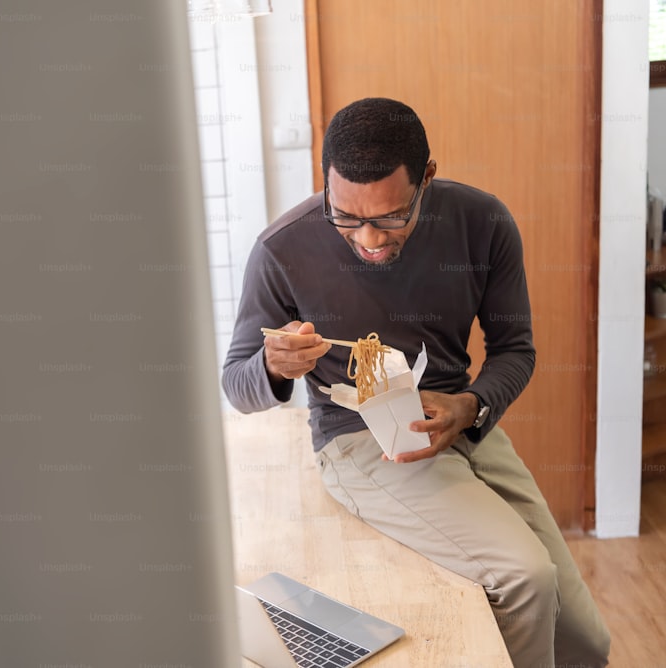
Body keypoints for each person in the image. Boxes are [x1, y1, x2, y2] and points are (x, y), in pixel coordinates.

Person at [221, 97, 610, 668]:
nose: (370, 239)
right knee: (525, 577)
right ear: (326, 183)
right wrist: (274, 366)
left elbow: (514, 351)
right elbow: (236, 384)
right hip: (359, 440)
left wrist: (470, 406)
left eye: (391, 216)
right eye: (346, 216)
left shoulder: (483, 222)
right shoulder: (283, 248)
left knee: (586, 643)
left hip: (465, 424)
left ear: (427, 177)